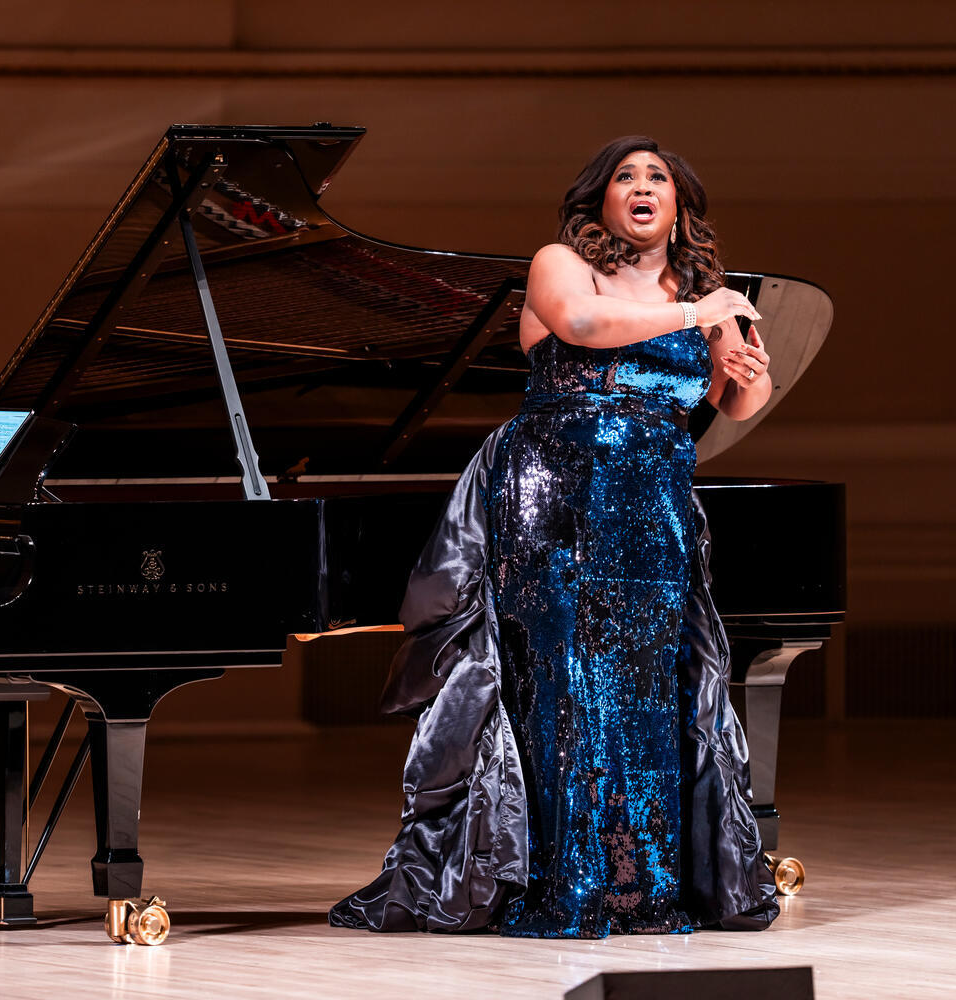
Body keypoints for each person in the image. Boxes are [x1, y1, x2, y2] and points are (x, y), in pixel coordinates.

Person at [330, 137, 780, 938]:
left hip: (652, 509)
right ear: (600, 199)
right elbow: (582, 322)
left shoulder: (703, 293)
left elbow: (733, 402)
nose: (642, 186)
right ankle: (558, 881)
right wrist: (698, 314)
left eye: (658, 178)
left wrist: (750, 372)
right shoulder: (562, 265)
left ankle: (640, 885)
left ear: (679, 207)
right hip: (556, 497)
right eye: (625, 176)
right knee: (565, 682)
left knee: (648, 691)